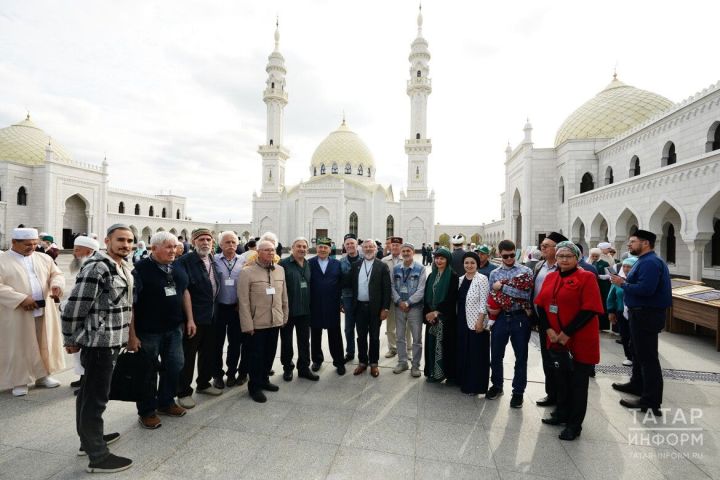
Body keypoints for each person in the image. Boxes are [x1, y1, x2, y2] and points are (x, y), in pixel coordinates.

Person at [62, 224, 135, 472]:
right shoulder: (97, 267)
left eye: (129, 241)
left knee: (88, 393)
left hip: (112, 340)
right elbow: (75, 306)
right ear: (107, 240)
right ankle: (98, 456)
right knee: (96, 398)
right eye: (120, 240)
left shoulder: (121, 266)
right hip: (99, 342)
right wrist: (70, 338)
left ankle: (89, 440)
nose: (126, 245)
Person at [534, 241, 603, 441]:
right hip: (554, 338)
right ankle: (561, 414)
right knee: (560, 379)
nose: (564, 259)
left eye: (568, 256)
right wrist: (548, 329)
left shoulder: (586, 277)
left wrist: (566, 333)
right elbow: (542, 305)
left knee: (578, 384)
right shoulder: (551, 276)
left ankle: (574, 425)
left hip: (578, 339)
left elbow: (590, 309)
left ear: (577, 258)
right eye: (561, 256)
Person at [128, 231, 196, 429]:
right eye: (168, 247)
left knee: (175, 365)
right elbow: (130, 304)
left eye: (175, 247)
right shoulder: (140, 270)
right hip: (148, 331)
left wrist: (190, 319)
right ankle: (147, 411)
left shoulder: (176, 266)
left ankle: (165, 402)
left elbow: (184, 292)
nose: (173, 251)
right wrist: (132, 335)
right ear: (154, 248)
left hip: (174, 328)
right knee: (148, 371)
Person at [610, 230, 671, 416]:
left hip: (647, 314)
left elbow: (646, 289)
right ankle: (637, 384)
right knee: (637, 352)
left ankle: (650, 401)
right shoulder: (644, 261)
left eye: (632, 241)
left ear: (645, 243)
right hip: (640, 313)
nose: (629, 245)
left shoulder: (650, 263)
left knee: (648, 358)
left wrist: (622, 283)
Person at [0, 228, 65, 397]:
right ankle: (19, 381)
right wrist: (21, 299)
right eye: (28, 244)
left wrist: (56, 285)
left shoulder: (44, 258)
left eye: (35, 244)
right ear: (14, 242)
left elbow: (56, 274)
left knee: (43, 343)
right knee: (19, 346)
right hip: (17, 313)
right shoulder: (2, 260)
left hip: (44, 310)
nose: (33, 247)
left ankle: (43, 376)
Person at [176, 229, 223, 409]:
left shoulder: (212, 258)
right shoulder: (184, 262)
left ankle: (203, 383)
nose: (205, 242)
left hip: (212, 315)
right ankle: (183, 391)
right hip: (194, 317)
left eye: (208, 239)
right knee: (188, 355)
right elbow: (184, 290)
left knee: (208, 352)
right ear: (193, 242)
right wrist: (189, 319)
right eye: (201, 239)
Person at [238, 239, 289, 403]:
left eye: (272, 250)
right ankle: (255, 387)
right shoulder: (247, 272)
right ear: (258, 252)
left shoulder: (280, 270)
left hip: (275, 321)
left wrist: (284, 316)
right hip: (256, 323)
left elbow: (283, 296)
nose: (271, 253)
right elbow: (243, 301)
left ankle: (265, 380)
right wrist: (247, 324)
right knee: (256, 356)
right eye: (266, 250)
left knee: (269, 354)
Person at [486, 239, 534, 408]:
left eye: (512, 255)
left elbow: (526, 295)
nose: (509, 259)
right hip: (500, 318)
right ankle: (497, 385)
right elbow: (493, 294)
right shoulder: (494, 273)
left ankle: (518, 392)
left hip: (519, 317)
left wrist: (504, 288)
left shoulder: (525, 270)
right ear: (500, 254)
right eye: (505, 256)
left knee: (521, 356)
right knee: (496, 355)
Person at [531, 232, 567, 408]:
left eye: (547, 245)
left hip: (558, 323)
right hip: (542, 320)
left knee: (559, 361)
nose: (542, 248)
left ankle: (562, 397)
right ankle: (551, 394)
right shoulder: (540, 265)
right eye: (542, 245)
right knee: (547, 359)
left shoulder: (563, 268)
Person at [350, 239, 391, 377]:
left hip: (375, 309)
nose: (368, 249)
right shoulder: (356, 265)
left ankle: (374, 363)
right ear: (362, 248)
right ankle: (362, 362)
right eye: (365, 247)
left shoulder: (382, 266)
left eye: (371, 247)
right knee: (361, 336)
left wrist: (385, 308)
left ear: (375, 249)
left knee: (374, 337)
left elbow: (387, 289)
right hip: (359, 307)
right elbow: (350, 285)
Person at [279, 237, 318, 382]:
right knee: (287, 341)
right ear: (292, 248)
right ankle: (288, 368)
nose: (302, 249)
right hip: (288, 311)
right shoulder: (283, 264)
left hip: (305, 311)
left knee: (304, 341)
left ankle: (303, 369)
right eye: (298, 246)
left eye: (304, 247)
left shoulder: (308, 264)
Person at [212, 231, 248, 388]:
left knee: (235, 343)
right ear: (220, 245)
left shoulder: (244, 261)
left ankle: (231, 373)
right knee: (217, 344)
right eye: (227, 242)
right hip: (219, 308)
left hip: (236, 308)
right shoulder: (213, 261)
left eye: (234, 242)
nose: (231, 245)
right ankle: (217, 375)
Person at [67, 235, 102, 394]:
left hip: (90, 317)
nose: (74, 253)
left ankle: (87, 384)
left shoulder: (95, 267)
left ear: (89, 251)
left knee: (88, 352)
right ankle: (82, 377)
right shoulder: (81, 264)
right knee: (79, 350)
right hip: (77, 315)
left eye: (77, 250)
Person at [308, 238, 345, 375]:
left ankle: (339, 362)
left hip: (332, 304)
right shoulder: (309, 263)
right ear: (316, 248)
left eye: (325, 247)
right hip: (315, 305)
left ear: (330, 249)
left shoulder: (336, 264)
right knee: (316, 334)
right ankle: (317, 360)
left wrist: (341, 301)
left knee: (335, 335)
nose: (322, 250)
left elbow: (341, 284)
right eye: (320, 247)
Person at [423, 247, 459, 383]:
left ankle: (445, 374)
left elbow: (452, 297)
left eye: (442, 258)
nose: (439, 261)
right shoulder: (432, 275)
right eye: (437, 258)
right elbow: (426, 295)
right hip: (431, 318)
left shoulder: (453, 276)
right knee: (432, 345)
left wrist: (437, 312)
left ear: (447, 260)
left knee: (444, 347)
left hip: (445, 318)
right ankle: (433, 372)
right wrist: (428, 314)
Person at [456, 251, 490, 395]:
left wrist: (480, 322)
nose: (469, 265)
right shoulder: (461, 279)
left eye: (472, 263)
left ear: (477, 264)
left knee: (476, 355)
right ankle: (464, 381)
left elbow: (484, 302)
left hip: (477, 322)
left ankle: (476, 386)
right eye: (466, 263)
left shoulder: (482, 279)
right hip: (462, 320)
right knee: (465, 352)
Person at [391, 243, 427, 377]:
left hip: (415, 308)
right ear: (401, 252)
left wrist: (408, 302)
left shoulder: (420, 268)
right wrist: (399, 301)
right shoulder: (395, 269)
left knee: (416, 338)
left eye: (408, 251)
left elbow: (421, 289)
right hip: (399, 307)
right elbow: (392, 286)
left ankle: (416, 366)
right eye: (403, 251)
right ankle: (402, 362)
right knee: (400, 336)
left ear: (413, 252)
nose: (406, 253)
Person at [382, 236, 411, 359]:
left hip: (404, 298)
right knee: (391, 325)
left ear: (401, 246)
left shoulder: (406, 259)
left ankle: (407, 350)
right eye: (393, 245)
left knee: (406, 326)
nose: (395, 247)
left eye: (397, 245)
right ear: (390, 246)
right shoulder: (384, 261)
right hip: (390, 298)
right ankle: (392, 348)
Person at [607, 256, 638, 367]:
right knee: (625, 336)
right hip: (621, 312)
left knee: (636, 336)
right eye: (624, 266)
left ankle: (637, 357)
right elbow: (611, 297)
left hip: (636, 312)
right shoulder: (617, 280)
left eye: (629, 267)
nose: (626, 268)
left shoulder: (638, 281)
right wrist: (610, 311)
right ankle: (629, 357)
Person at [340, 234, 362, 363]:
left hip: (362, 298)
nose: (350, 246)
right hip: (347, 298)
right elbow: (339, 282)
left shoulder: (365, 259)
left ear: (357, 245)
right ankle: (350, 352)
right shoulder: (341, 262)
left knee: (362, 328)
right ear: (344, 246)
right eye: (347, 244)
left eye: (352, 243)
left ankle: (363, 353)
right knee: (349, 327)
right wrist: (340, 301)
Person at [589, 247, 611, 330]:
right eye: (593, 256)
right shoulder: (592, 263)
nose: (594, 258)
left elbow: (611, 275)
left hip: (604, 287)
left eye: (596, 256)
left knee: (604, 305)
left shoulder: (605, 263)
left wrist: (599, 276)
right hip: (596, 286)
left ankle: (604, 326)